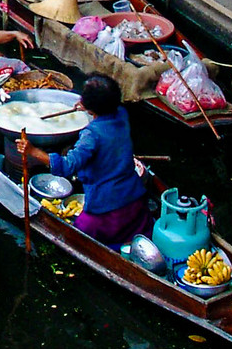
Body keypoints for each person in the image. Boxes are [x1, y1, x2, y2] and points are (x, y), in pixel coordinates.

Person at [15, 75, 152, 246]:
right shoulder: (122, 115)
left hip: (107, 208)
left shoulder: (91, 135)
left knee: (78, 236)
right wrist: (88, 108)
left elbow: (67, 166)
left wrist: (33, 151)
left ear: (91, 106)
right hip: (135, 198)